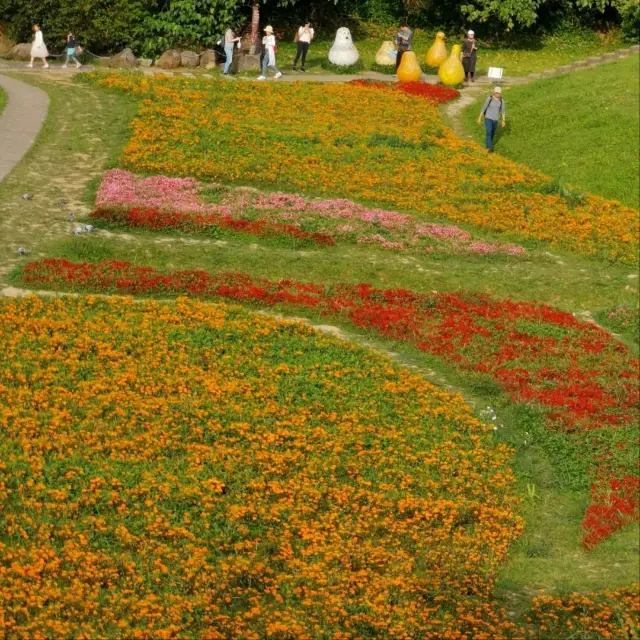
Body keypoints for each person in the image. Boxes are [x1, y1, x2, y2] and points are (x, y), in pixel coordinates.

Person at [477, 86, 506, 152]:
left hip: (495, 120)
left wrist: (503, 120)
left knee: (492, 133)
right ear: (494, 92)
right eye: (496, 93)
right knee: (489, 132)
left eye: (499, 93)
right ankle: (489, 148)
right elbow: (484, 108)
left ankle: (488, 145)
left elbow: (503, 111)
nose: (497, 94)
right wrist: (479, 117)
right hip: (488, 118)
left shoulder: (501, 100)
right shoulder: (489, 99)